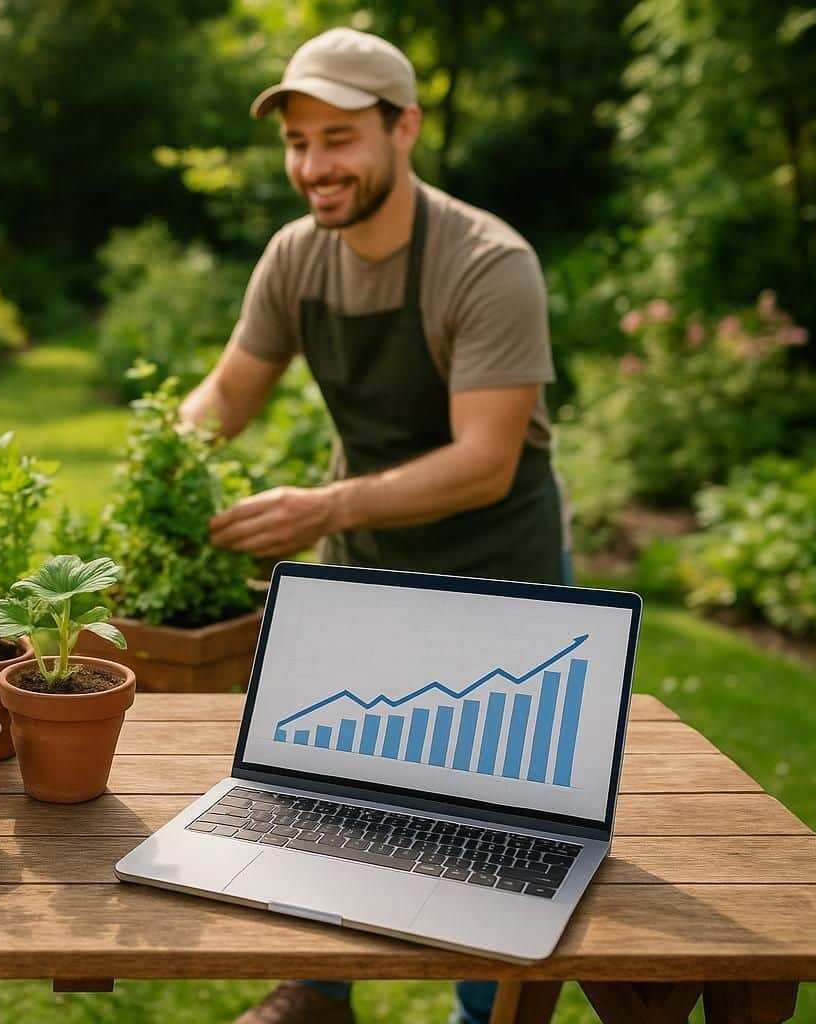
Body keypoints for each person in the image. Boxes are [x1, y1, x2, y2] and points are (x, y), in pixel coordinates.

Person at [178, 27, 569, 1024]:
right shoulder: (296, 258)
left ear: (407, 129)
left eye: (339, 137)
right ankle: (316, 989)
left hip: (501, 572)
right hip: (365, 565)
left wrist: (321, 508)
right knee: (326, 791)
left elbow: (485, 462)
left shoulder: (488, 263)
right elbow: (227, 394)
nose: (314, 166)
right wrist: (161, 466)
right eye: (298, 141)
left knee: (498, 825)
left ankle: (486, 1011)